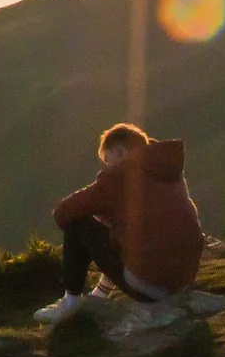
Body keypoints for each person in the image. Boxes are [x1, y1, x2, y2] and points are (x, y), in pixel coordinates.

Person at [37, 123, 207, 322]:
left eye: (109, 161)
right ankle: (100, 295)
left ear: (121, 151)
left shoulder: (121, 174)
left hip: (151, 287)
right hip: (182, 281)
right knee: (124, 233)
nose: (108, 167)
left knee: (78, 225)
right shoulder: (167, 170)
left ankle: (70, 303)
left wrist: (103, 219)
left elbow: (64, 212)